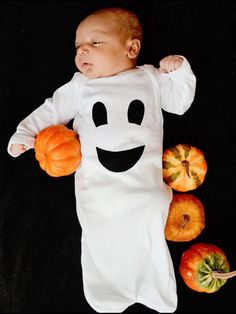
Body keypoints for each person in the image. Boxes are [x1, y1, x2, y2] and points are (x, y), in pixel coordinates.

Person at [7, 7, 196, 313]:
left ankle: (155, 288)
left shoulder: (148, 78)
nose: (83, 50)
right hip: (98, 190)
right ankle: (108, 294)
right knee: (100, 238)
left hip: (144, 190)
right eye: (78, 46)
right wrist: (26, 133)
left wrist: (179, 72)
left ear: (131, 48)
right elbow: (52, 110)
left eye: (95, 43)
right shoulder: (81, 86)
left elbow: (179, 103)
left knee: (147, 234)